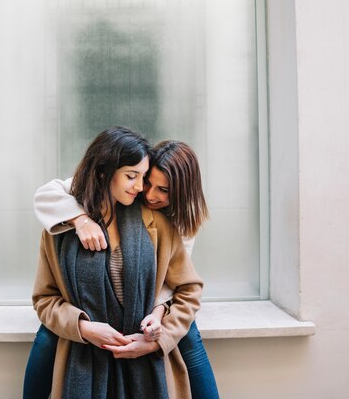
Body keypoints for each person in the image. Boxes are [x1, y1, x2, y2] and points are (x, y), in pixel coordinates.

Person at [24, 139, 220, 399]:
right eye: (142, 180)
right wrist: (80, 220)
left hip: (158, 301)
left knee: (190, 340)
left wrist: (158, 316)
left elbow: (175, 283)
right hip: (88, 322)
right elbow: (47, 195)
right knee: (48, 338)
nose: (147, 193)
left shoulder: (175, 223)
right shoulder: (66, 221)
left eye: (162, 190)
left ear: (180, 193)